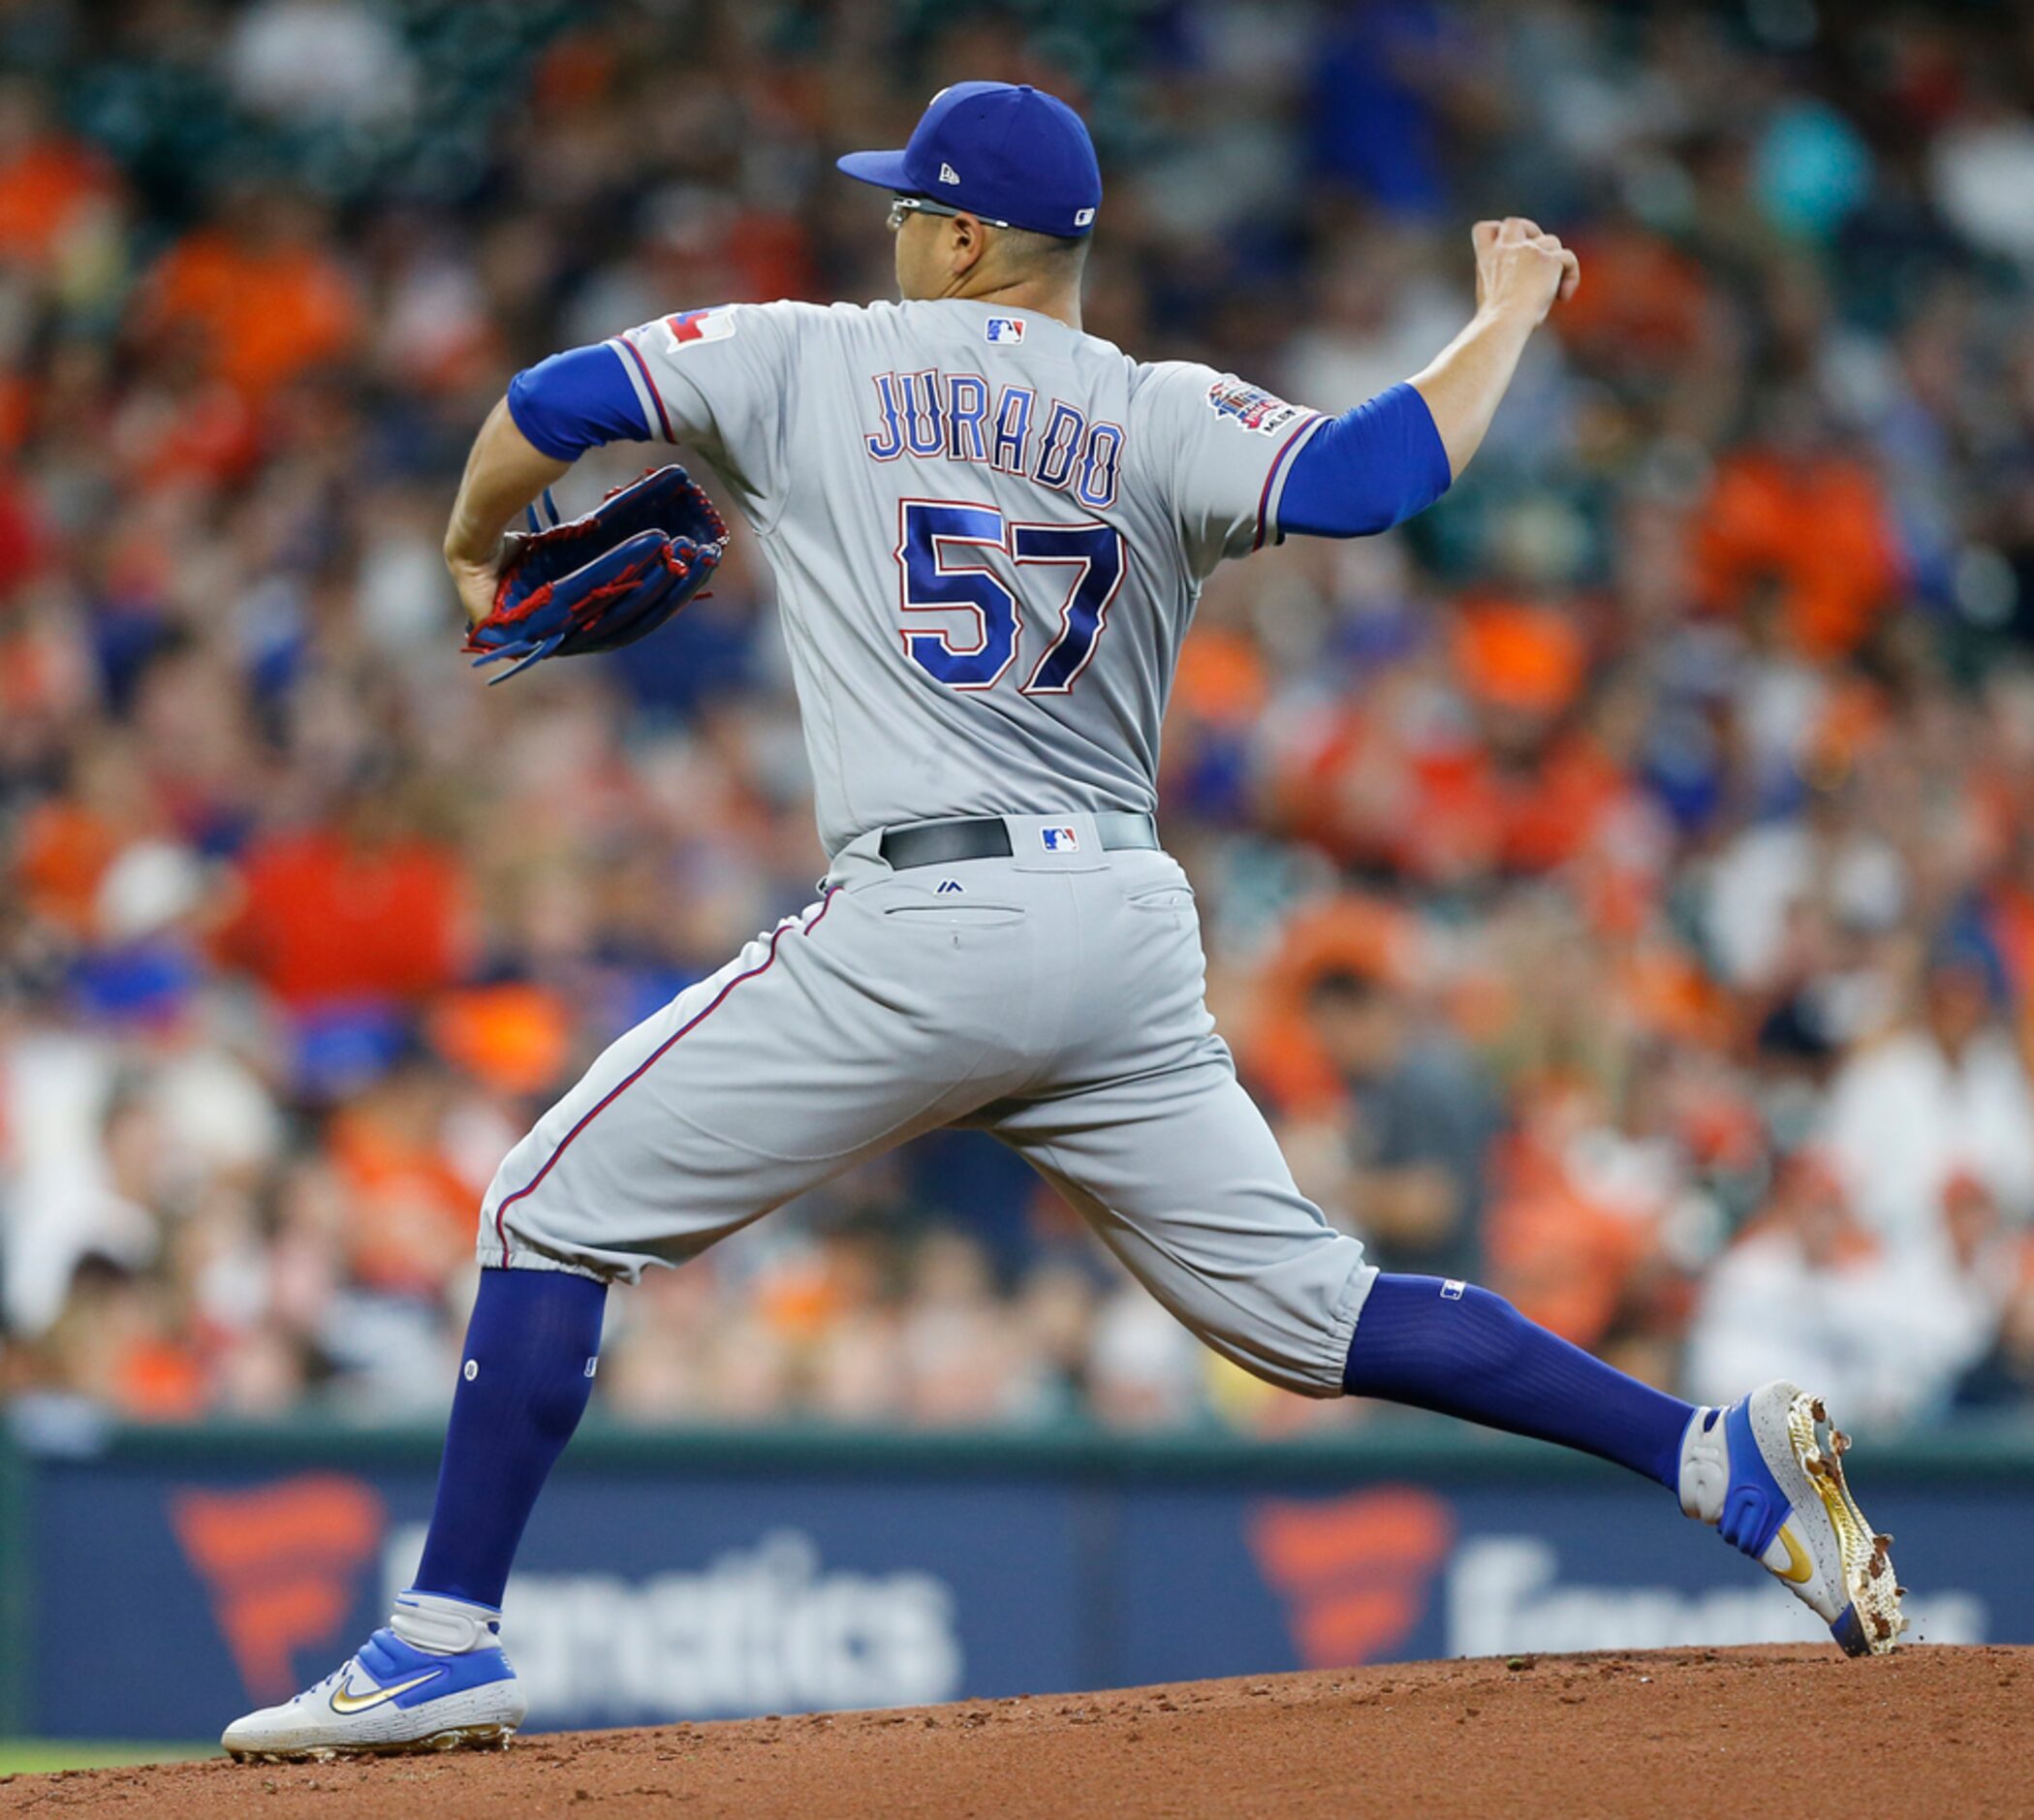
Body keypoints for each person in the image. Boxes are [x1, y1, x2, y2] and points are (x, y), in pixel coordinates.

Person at [223, 80, 1901, 1761]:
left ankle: (442, 1636)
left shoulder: (819, 352)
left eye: (907, 206)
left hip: (925, 911)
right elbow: (1378, 475)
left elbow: (557, 397)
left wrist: (465, 549)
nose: (888, 228)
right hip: (1116, 928)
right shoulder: (1164, 408)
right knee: (1310, 1315)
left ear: (961, 236)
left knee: (542, 1204)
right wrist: (1505, 310)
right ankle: (1709, 1456)